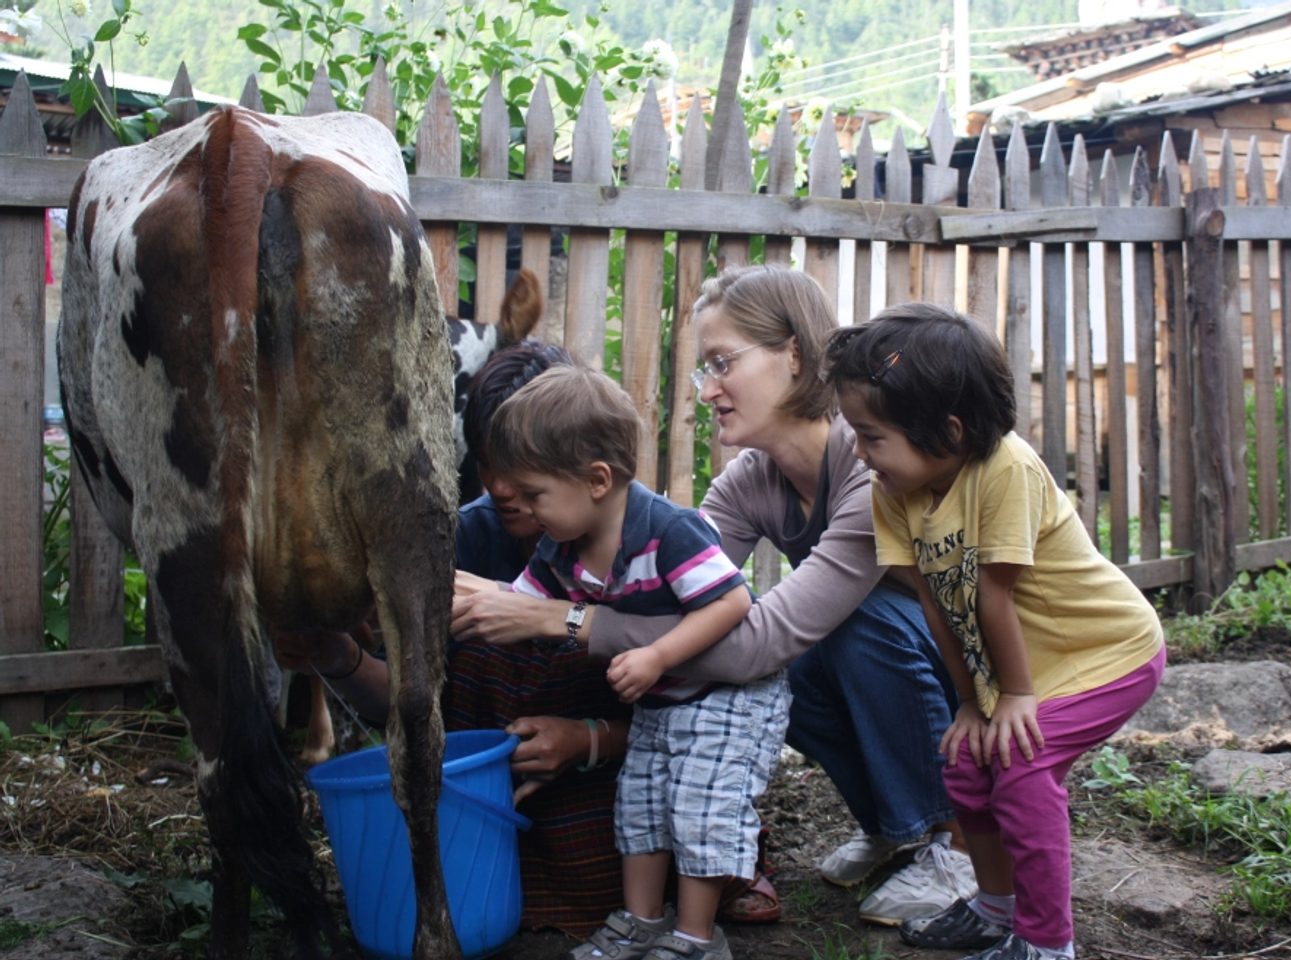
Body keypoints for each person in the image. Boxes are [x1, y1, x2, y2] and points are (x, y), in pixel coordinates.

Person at [453, 265, 977, 926]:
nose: (707, 391)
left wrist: (564, 618)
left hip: (994, 663)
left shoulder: (865, 466)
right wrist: (514, 604)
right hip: (929, 661)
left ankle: (955, 843)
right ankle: (890, 822)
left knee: (849, 626)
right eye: (704, 369)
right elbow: (670, 612)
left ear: (793, 353)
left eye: (722, 363)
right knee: (794, 674)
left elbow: (751, 643)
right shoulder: (746, 485)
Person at [823, 304, 1166, 960]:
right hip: (1025, 670)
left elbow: (990, 595)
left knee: (1020, 765)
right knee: (965, 762)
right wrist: (970, 704)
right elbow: (936, 600)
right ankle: (994, 906)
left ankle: (1045, 943)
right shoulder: (894, 490)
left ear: (949, 432)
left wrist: (1007, 700)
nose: (861, 455)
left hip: (1107, 652)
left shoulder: (1005, 468)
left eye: (871, 437)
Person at [282, 339, 635, 935]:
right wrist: (335, 655)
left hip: (607, 786)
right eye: (485, 463)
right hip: (488, 803)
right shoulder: (459, 539)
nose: (497, 486)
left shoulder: (642, 538)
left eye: (521, 469)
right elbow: (406, 697)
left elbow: (699, 691)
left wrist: (587, 739)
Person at [485, 365, 789, 960]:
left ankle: (697, 938)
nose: (522, 507)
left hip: (729, 695)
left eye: (535, 493)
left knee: (699, 806)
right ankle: (641, 921)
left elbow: (730, 601)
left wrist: (655, 654)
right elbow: (516, 604)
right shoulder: (561, 548)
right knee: (641, 804)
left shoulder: (668, 531)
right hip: (665, 697)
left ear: (596, 480)